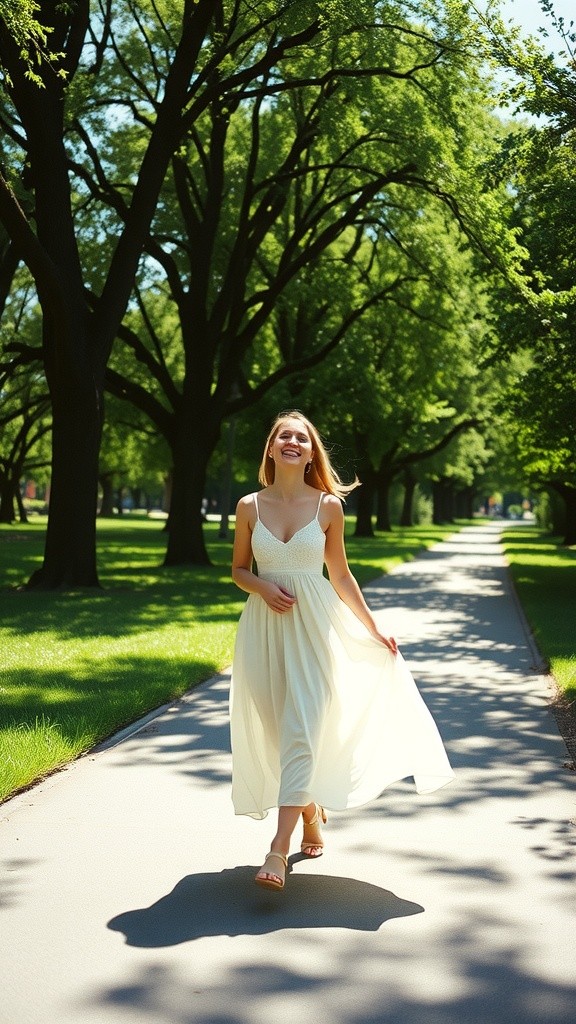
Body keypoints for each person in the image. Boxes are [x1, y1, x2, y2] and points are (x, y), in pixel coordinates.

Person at [230, 410, 454, 891]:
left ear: (311, 453)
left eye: (302, 438)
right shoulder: (249, 505)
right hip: (264, 632)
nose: (292, 442)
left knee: (301, 732)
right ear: (271, 449)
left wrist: (374, 630)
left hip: (317, 631)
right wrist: (262, 588)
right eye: (283, 436)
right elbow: (238, 571)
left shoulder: (329, 507)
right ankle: (311, 811)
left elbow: (342, 575)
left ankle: (277, 851)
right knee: (276, 731)